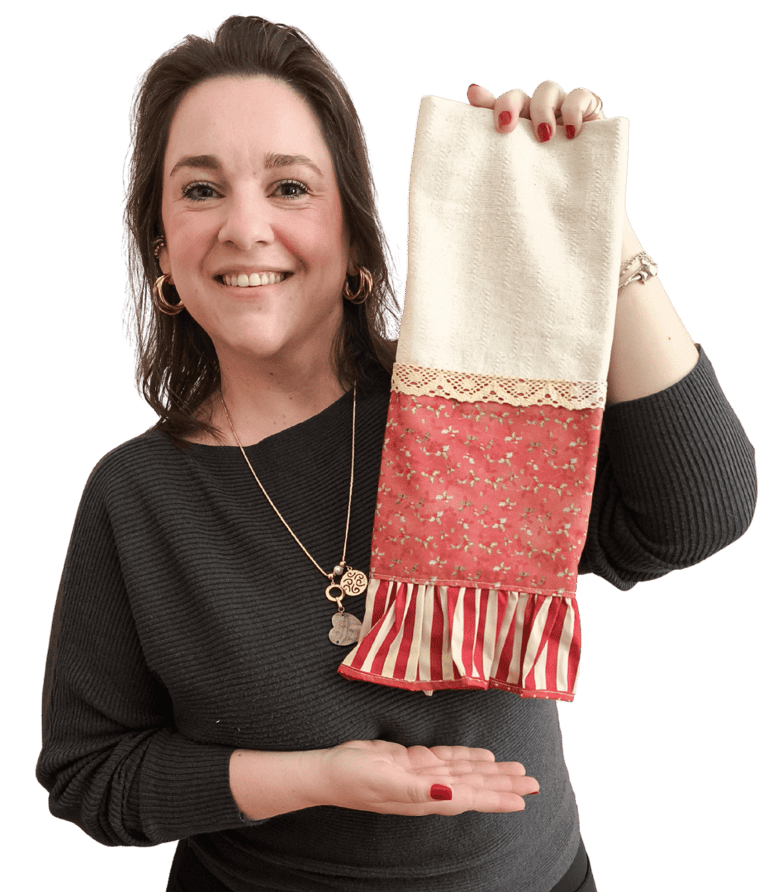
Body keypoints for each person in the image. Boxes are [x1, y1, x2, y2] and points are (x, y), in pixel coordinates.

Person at [35, 13, 756, 892]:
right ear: (161, 250)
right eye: (200, 190)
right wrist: (320, 778)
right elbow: (91, 775)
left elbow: (698, 516)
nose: (245, 227)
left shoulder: (467, 408)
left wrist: (594, 218)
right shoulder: (135, 497)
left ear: (354, 236)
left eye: (290, 187)